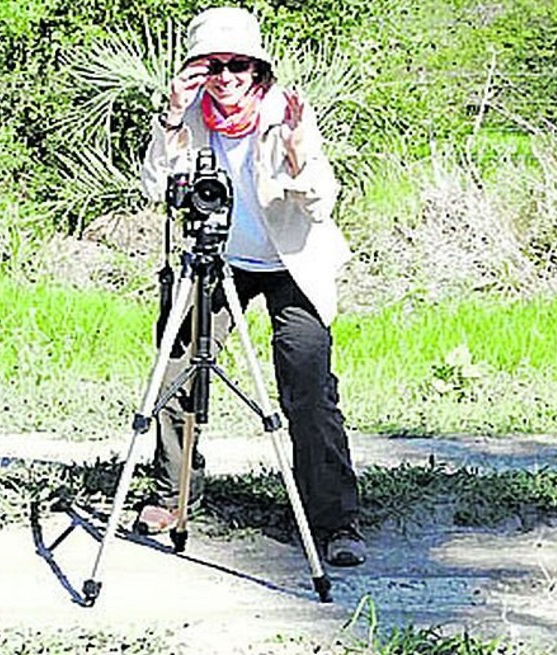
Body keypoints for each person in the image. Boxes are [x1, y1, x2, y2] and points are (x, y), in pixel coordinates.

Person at [135, 6, 365, 567]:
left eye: (240, 65)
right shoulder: (186, 116)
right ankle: (172, 496)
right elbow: (154, 187)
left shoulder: (285, 112)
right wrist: (171, 119)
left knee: (306, 384)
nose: (228, 77)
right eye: (214, 66)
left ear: (258, 70)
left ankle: (334, 520)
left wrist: (293, 150)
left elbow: (321, 201)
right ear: (197, 71)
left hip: (291, 263)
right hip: (218, 260)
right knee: (177, 369)